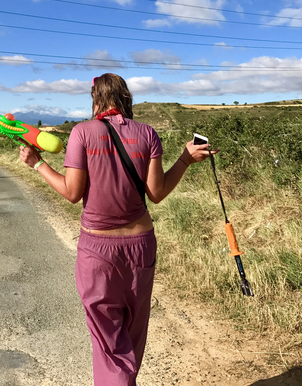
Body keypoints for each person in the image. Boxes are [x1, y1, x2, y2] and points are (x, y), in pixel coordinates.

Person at [19, 73, 217, 386]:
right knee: (134, 332)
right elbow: (157, 193)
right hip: (141, 247)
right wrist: (185, 159)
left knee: (109, 341)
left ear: (95, 97)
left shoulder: (82, 133)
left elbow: (72, 193)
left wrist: (37, 164)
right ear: (126, 97)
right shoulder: (147, 134)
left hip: (98, 251)